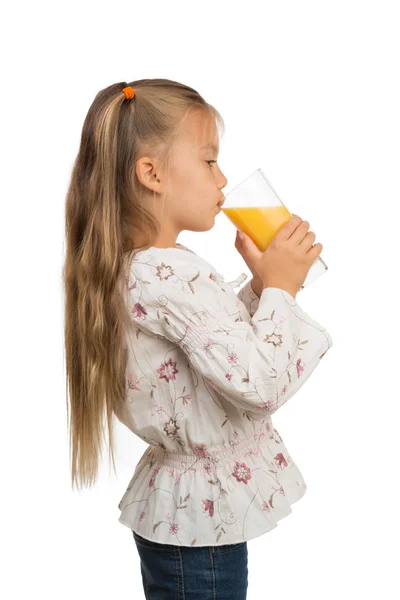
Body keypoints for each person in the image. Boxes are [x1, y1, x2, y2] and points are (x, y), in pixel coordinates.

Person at [62, 78, 333, 599]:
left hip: (190, 517)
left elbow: (215, 356)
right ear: (151, 173)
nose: (224, 178)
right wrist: (279, 288)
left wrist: (259, 287)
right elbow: (257, 381)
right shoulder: (164, 274)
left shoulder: (145, 270)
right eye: (209, 161)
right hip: (198, 530)